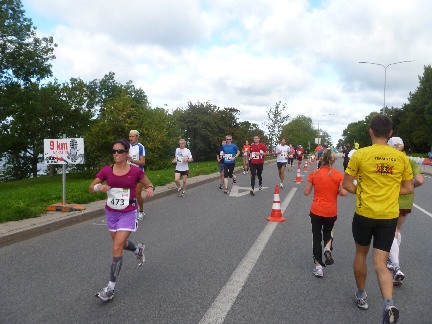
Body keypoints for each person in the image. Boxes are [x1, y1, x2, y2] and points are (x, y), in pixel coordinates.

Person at [342, 114, 413, 324]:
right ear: (390, 134)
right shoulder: (401, 158)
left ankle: (362, 295)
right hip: (388, 217)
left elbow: (346, 185)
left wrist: (363, 190)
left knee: (361, 254)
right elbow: (409, 187)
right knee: (381, 264)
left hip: (364, 214)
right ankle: (388, 304)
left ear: (370, 132)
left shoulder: (360, 155)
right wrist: (389, 191)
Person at [89, 139, 154, 302]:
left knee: (117, 246)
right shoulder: (106, 171)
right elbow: (91, 188)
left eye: (119, 151)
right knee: (122, 244)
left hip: (128, 213)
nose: (116, 154)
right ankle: (137, 250)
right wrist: (99, 187)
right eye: (114, 151)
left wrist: (150, 188)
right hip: (111, 213)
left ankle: (110, 288)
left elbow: (148, 183)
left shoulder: (135, 171)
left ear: (126, 154)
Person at [304, 149, 347, 277]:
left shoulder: (314, 174)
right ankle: (327, 248)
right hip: (331, 211)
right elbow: (343, 193)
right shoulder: (338, 175)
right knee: (328, 232)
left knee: (316, 237)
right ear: (333, 161)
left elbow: (306, 192)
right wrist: (338, 190)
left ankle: (318, 267)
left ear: (321, 159)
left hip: (316, 210)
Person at [386, 137, 424, 285]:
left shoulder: (390, 161)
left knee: (391, 230)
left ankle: (396, 266)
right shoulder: (411, 161)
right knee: (397, 229)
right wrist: (410, 187)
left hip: (391, 199)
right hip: (406, 200)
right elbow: (420, 180)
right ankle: (392, 259)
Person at [128, 130, 146, 221]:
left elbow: (143, 162)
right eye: (130, 136)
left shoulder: (140, 147)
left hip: (138, 173)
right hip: (128, 173)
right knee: (128, 194)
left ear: (137, 137)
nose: (130, 138)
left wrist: (132, 161)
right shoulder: (126, 146)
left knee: (137, 194)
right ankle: (131, 211)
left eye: (132, 136)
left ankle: (141, 211)